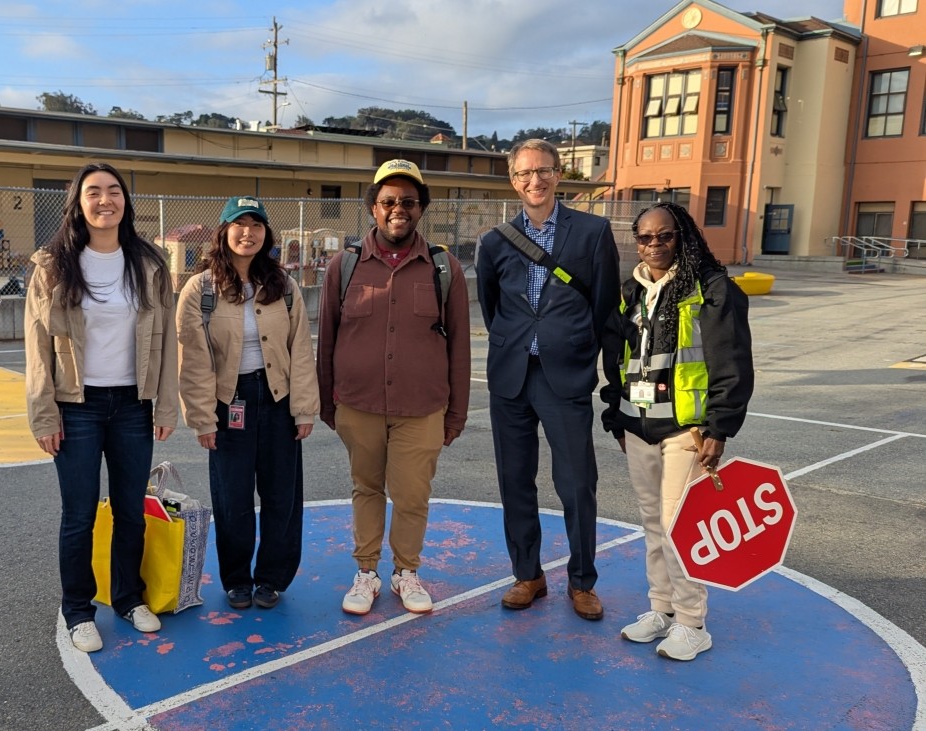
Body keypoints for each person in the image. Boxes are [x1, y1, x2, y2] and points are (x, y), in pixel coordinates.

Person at [23, 162, 178, 654]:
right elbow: (37, 346)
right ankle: (78, 610)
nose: (105, 200)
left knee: (131, 510)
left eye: (114, 191)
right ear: (78, 203)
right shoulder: (53, 266)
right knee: (79, 514)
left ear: (125, 202)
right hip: (77, 406)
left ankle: (129, 598)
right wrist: (44, 414)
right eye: (94, 192)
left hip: (133, 404)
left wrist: (165, 406)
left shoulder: (149, 264)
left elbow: (167, 340)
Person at [600, 202, 754, 661]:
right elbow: (616, 359)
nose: (654, 245)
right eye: (645, 238)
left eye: (664, 236)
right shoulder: (631, 292)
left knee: (678, 527)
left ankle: (692, 622)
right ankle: (661, 609)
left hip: (686, 431)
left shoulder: (712, 289)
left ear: (682, 236)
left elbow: (732, 363)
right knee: (651, 523)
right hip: (637, 427)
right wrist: (616, 417)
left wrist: (718, 428)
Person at [318, 159, 471, 616]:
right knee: (366, 489)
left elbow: (460, 347)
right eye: (388, 201)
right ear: (373, 207)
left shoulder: (444, 267)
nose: (398, 208)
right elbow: (326, 339)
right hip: (358, 405)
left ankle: (406, 572)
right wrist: (328, 403)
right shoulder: (345, 265)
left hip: (421, 408)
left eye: (408, 201)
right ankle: (366, 572)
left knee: (411, 495)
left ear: (421, 208)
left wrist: (456, 413)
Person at [476, 139, 619, 621]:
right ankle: (528, 575)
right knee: (515, 480)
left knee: (577, 483)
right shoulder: (494, 241)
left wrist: (574, 345)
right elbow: (493, 307)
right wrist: (520, 341)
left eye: (543, 171)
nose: (534, 180)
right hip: (511, 376)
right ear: (513, 181)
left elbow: (604, 307)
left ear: (559, 174)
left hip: (566, 375)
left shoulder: (593, 232)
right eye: (524, 174)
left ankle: (582, 581)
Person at [176, 196, 318, 610]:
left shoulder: (283, 285)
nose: (248, 233)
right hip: (229, 402)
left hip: (277, 399)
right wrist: (203, 418)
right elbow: (193, 359)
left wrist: (304, 408)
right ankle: (237, 578)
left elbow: (300, 349)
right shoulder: (201, 289)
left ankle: (271, 577)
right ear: (224, 231)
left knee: (281, 496)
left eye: (257, 225)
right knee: (232, 497)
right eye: (240, 224)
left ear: (266, 234)